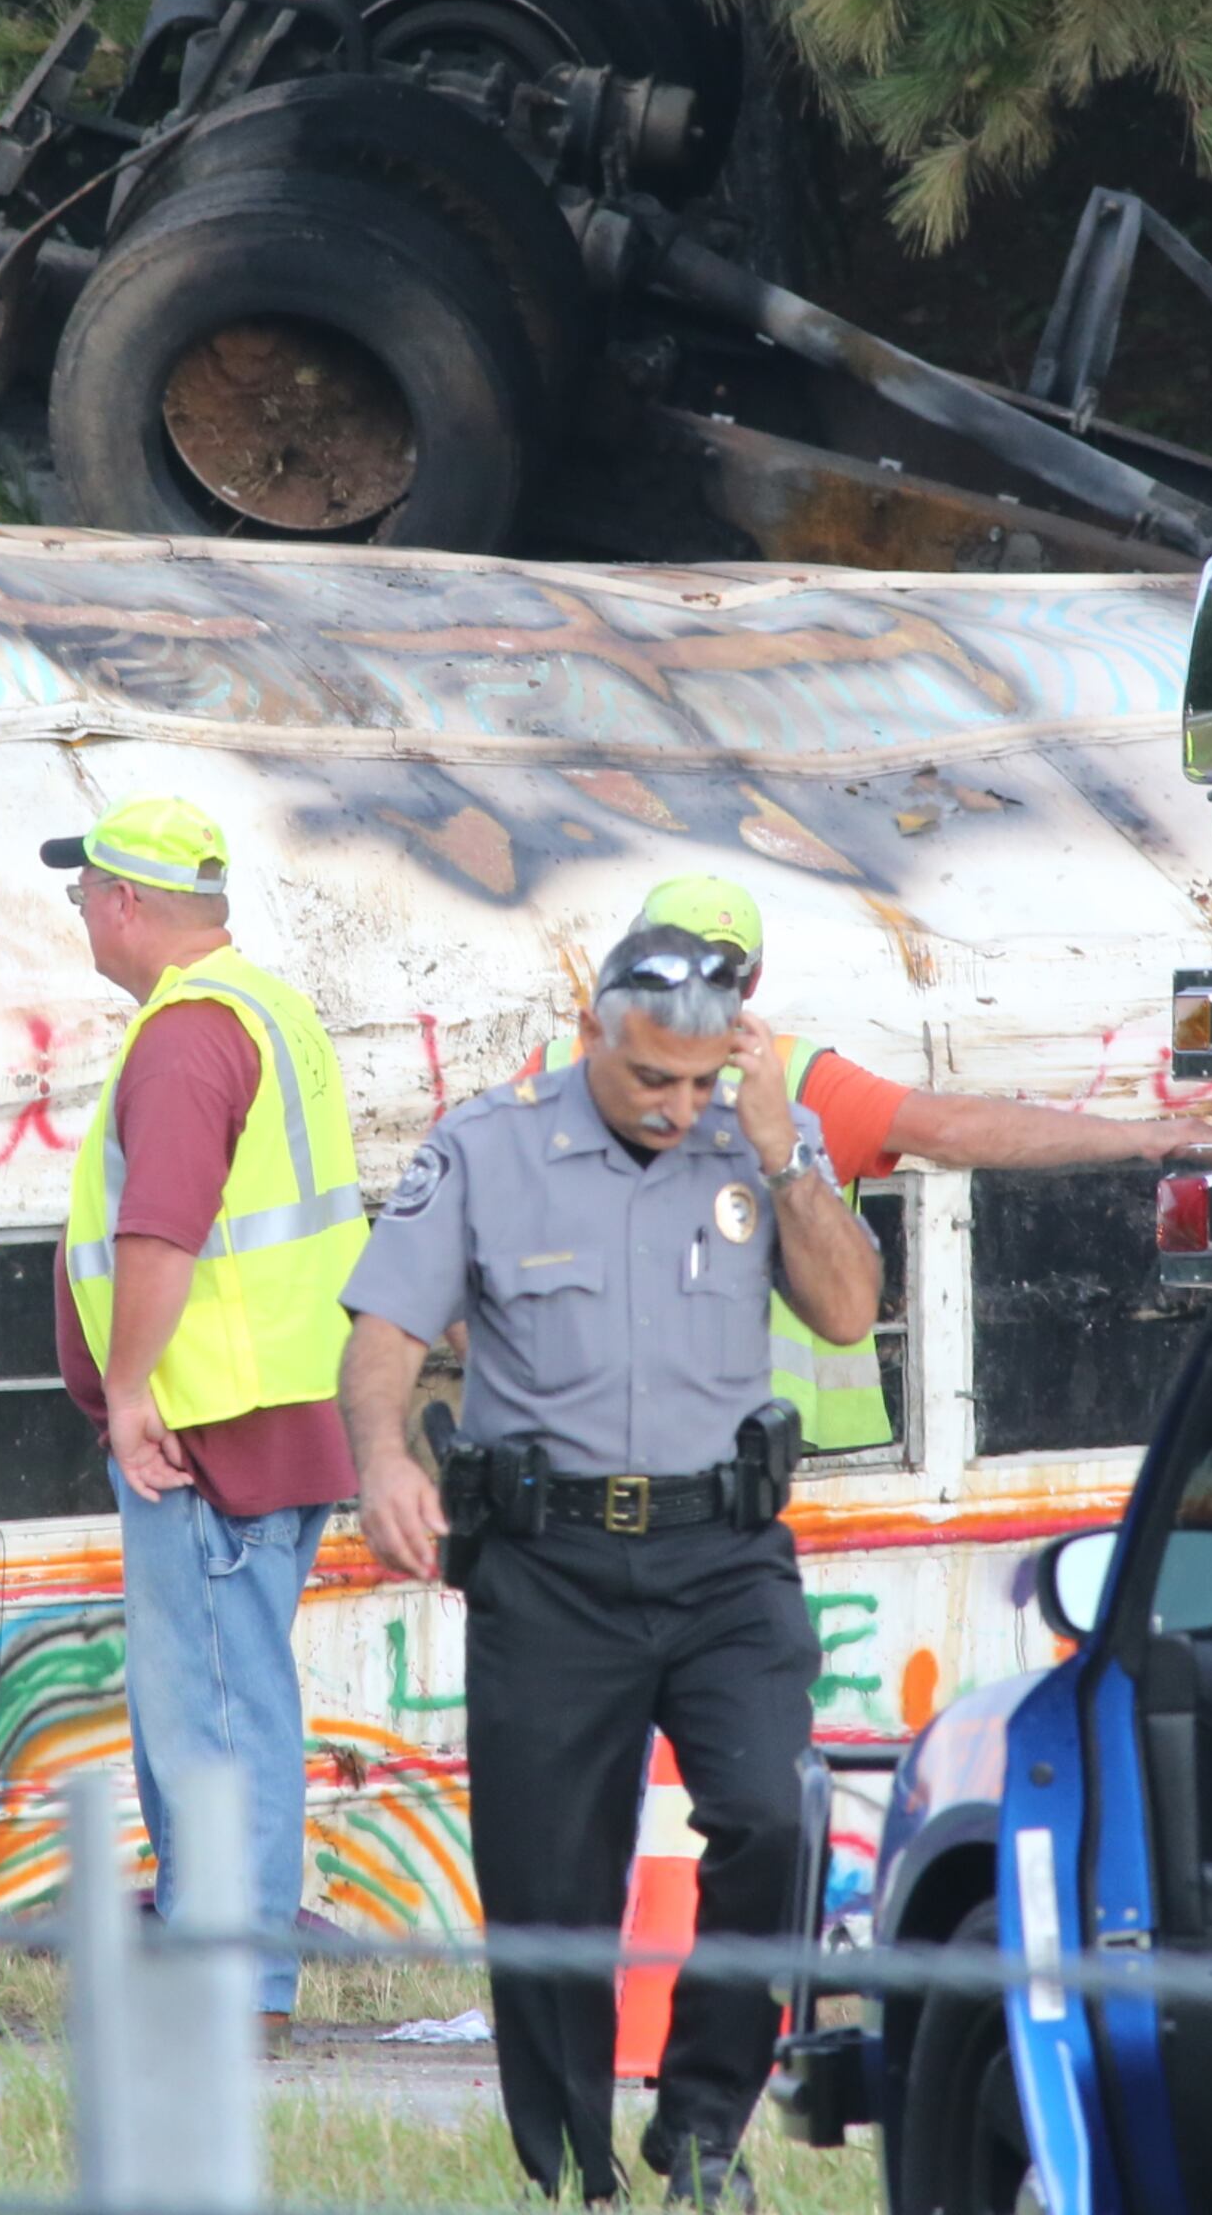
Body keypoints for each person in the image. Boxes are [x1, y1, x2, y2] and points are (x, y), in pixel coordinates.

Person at [341, 923, 879, 2206]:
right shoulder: (488, 1144)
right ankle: (575, 2169)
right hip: (548, 1565)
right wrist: (382, 1462)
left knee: (772, 1817)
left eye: (700, 1081)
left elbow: (852, 1309)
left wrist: (785, 1149)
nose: (676, 1106)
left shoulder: (755, 1144)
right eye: (653, 1080)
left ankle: (701, 2127)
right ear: (594, 1033)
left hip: (724, 1561)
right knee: (548, 1893)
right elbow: (383, 1331)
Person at [530, 874, 1212, 1449]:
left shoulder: (555, 1073)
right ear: (753, 982)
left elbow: (454, 1253)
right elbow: (960, 1130)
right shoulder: (795, 1077)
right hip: (794, 1463)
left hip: (614, 1457)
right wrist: (1146, 1137)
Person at [46, 794, 362, 2051]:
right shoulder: (268, 1010)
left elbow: (161, 1234)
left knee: (218, 1713)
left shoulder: (185, 1039)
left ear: (125, 904)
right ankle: (213, 1951)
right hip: (271, 1412)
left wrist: (128, 1398)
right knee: (219, 1699)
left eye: (83, 893)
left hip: (203, 1429)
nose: (79, 911)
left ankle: (237, 1988)